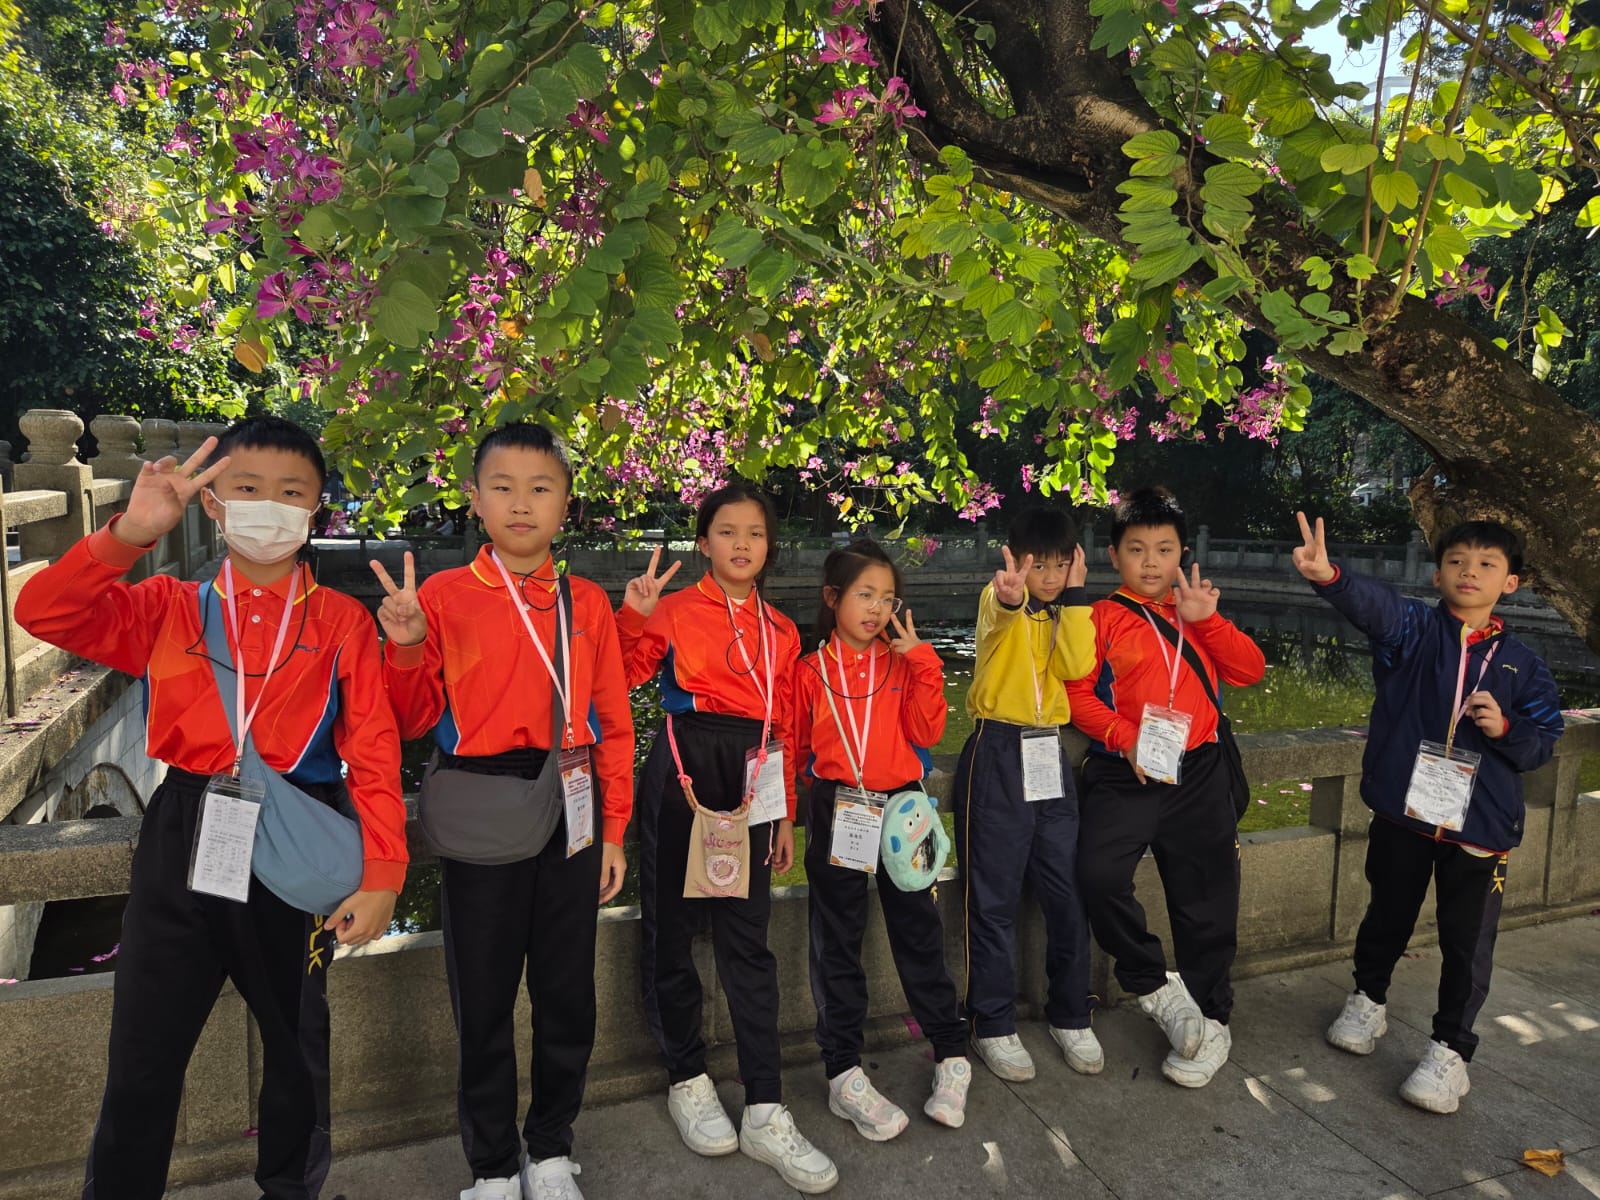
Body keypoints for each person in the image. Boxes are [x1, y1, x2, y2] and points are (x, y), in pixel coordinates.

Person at [16, 416, 408, 1200]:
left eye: (291, 492)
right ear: (213, 503)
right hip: (187, 823)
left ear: (316, 509)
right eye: (248, 488)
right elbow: (46, 615)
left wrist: (384, 872)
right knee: (142, 1052)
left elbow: (373, 748)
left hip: (296, 827)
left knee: (297, 1047)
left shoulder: (340, 621)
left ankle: (290, 1188)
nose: (270, 507)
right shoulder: (167, 605)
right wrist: (130, 533)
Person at [376, 422, 632, 1200]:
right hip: (481, 804)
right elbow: (412, 720)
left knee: (567, 993)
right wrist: (407, 645)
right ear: (476, 499)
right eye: (503, 487)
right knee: (482, 997)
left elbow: (615, 722)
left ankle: (550, 1148)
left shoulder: (586, 602)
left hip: (572, 804)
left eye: (541, 488)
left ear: (566, 504)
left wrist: (615, 831)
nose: (522, 504)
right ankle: (491, 1163)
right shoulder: (444, 596)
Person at [1293, 513, 1563, 1113]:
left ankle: (1450, 1052)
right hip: (1405, 813)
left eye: (1487, 564)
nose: (1470, 572)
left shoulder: (1524, 664)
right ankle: (1368, 1001)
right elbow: (1377, 608)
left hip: (1480, 828)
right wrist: (1330, 577)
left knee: (1467, 942)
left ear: (1510, 583)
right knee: (1386, 915)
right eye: (1457, 561)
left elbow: (1543, 742)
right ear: (1438, 574)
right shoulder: (1413, 631)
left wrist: (1506, 728)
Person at [617, 483, 838, 1195]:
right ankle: (686, 1076)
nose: (742, 544)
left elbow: (787, 727)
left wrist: (783, 815)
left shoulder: (783, 630)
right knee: (671, 931)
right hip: (685, 762)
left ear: (769, 546)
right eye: (727, 531)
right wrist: (633, 617)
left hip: (753, 771)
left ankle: (766, 1104)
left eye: (755, 533)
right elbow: (620, 677)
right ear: (703, 541)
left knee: (749, 939)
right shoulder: (675, 609)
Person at [1068, 486, 1264, 1088]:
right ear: (1113, 555)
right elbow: (1076, 695)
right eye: (1136, 549)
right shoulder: (1100, 618)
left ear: (1182, 554)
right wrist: (1124, 737)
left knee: (1206, 898)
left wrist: (1211, 622)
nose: (1150, 562)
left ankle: (1213, 1016)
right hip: (1124, 771)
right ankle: (1154, 984)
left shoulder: (1196, 610)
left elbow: (1250, 670)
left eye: (1164, 549)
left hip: (1197, 769)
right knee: (1097, 875)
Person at [792, 539, 972, 1139]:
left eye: (888, 598)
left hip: (903, 807)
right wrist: (793, 816)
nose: (876, 609)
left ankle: (951, 1053)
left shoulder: (901, 664)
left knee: (919, 930)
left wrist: (924, 661)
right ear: (832, 597)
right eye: (864, 594)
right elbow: (797, 750)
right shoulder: (809, 671)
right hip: (839, 806)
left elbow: (928, 729)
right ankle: (843, 1071)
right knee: (838, 940)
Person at [953, 505, 1101, 1083]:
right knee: (993, 899)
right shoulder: (1000, 601)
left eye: (1061, 566)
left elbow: (1079, 664)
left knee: (1066, 891)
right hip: (998, 752)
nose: (1050, 577)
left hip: (1050, 756)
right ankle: (992, 1022)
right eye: (1040, 566)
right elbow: (999, 614)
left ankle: (1070, 1012)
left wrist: (1077, 596)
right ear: (1016, 561)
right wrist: (1011, 596)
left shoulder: (1065, 611)